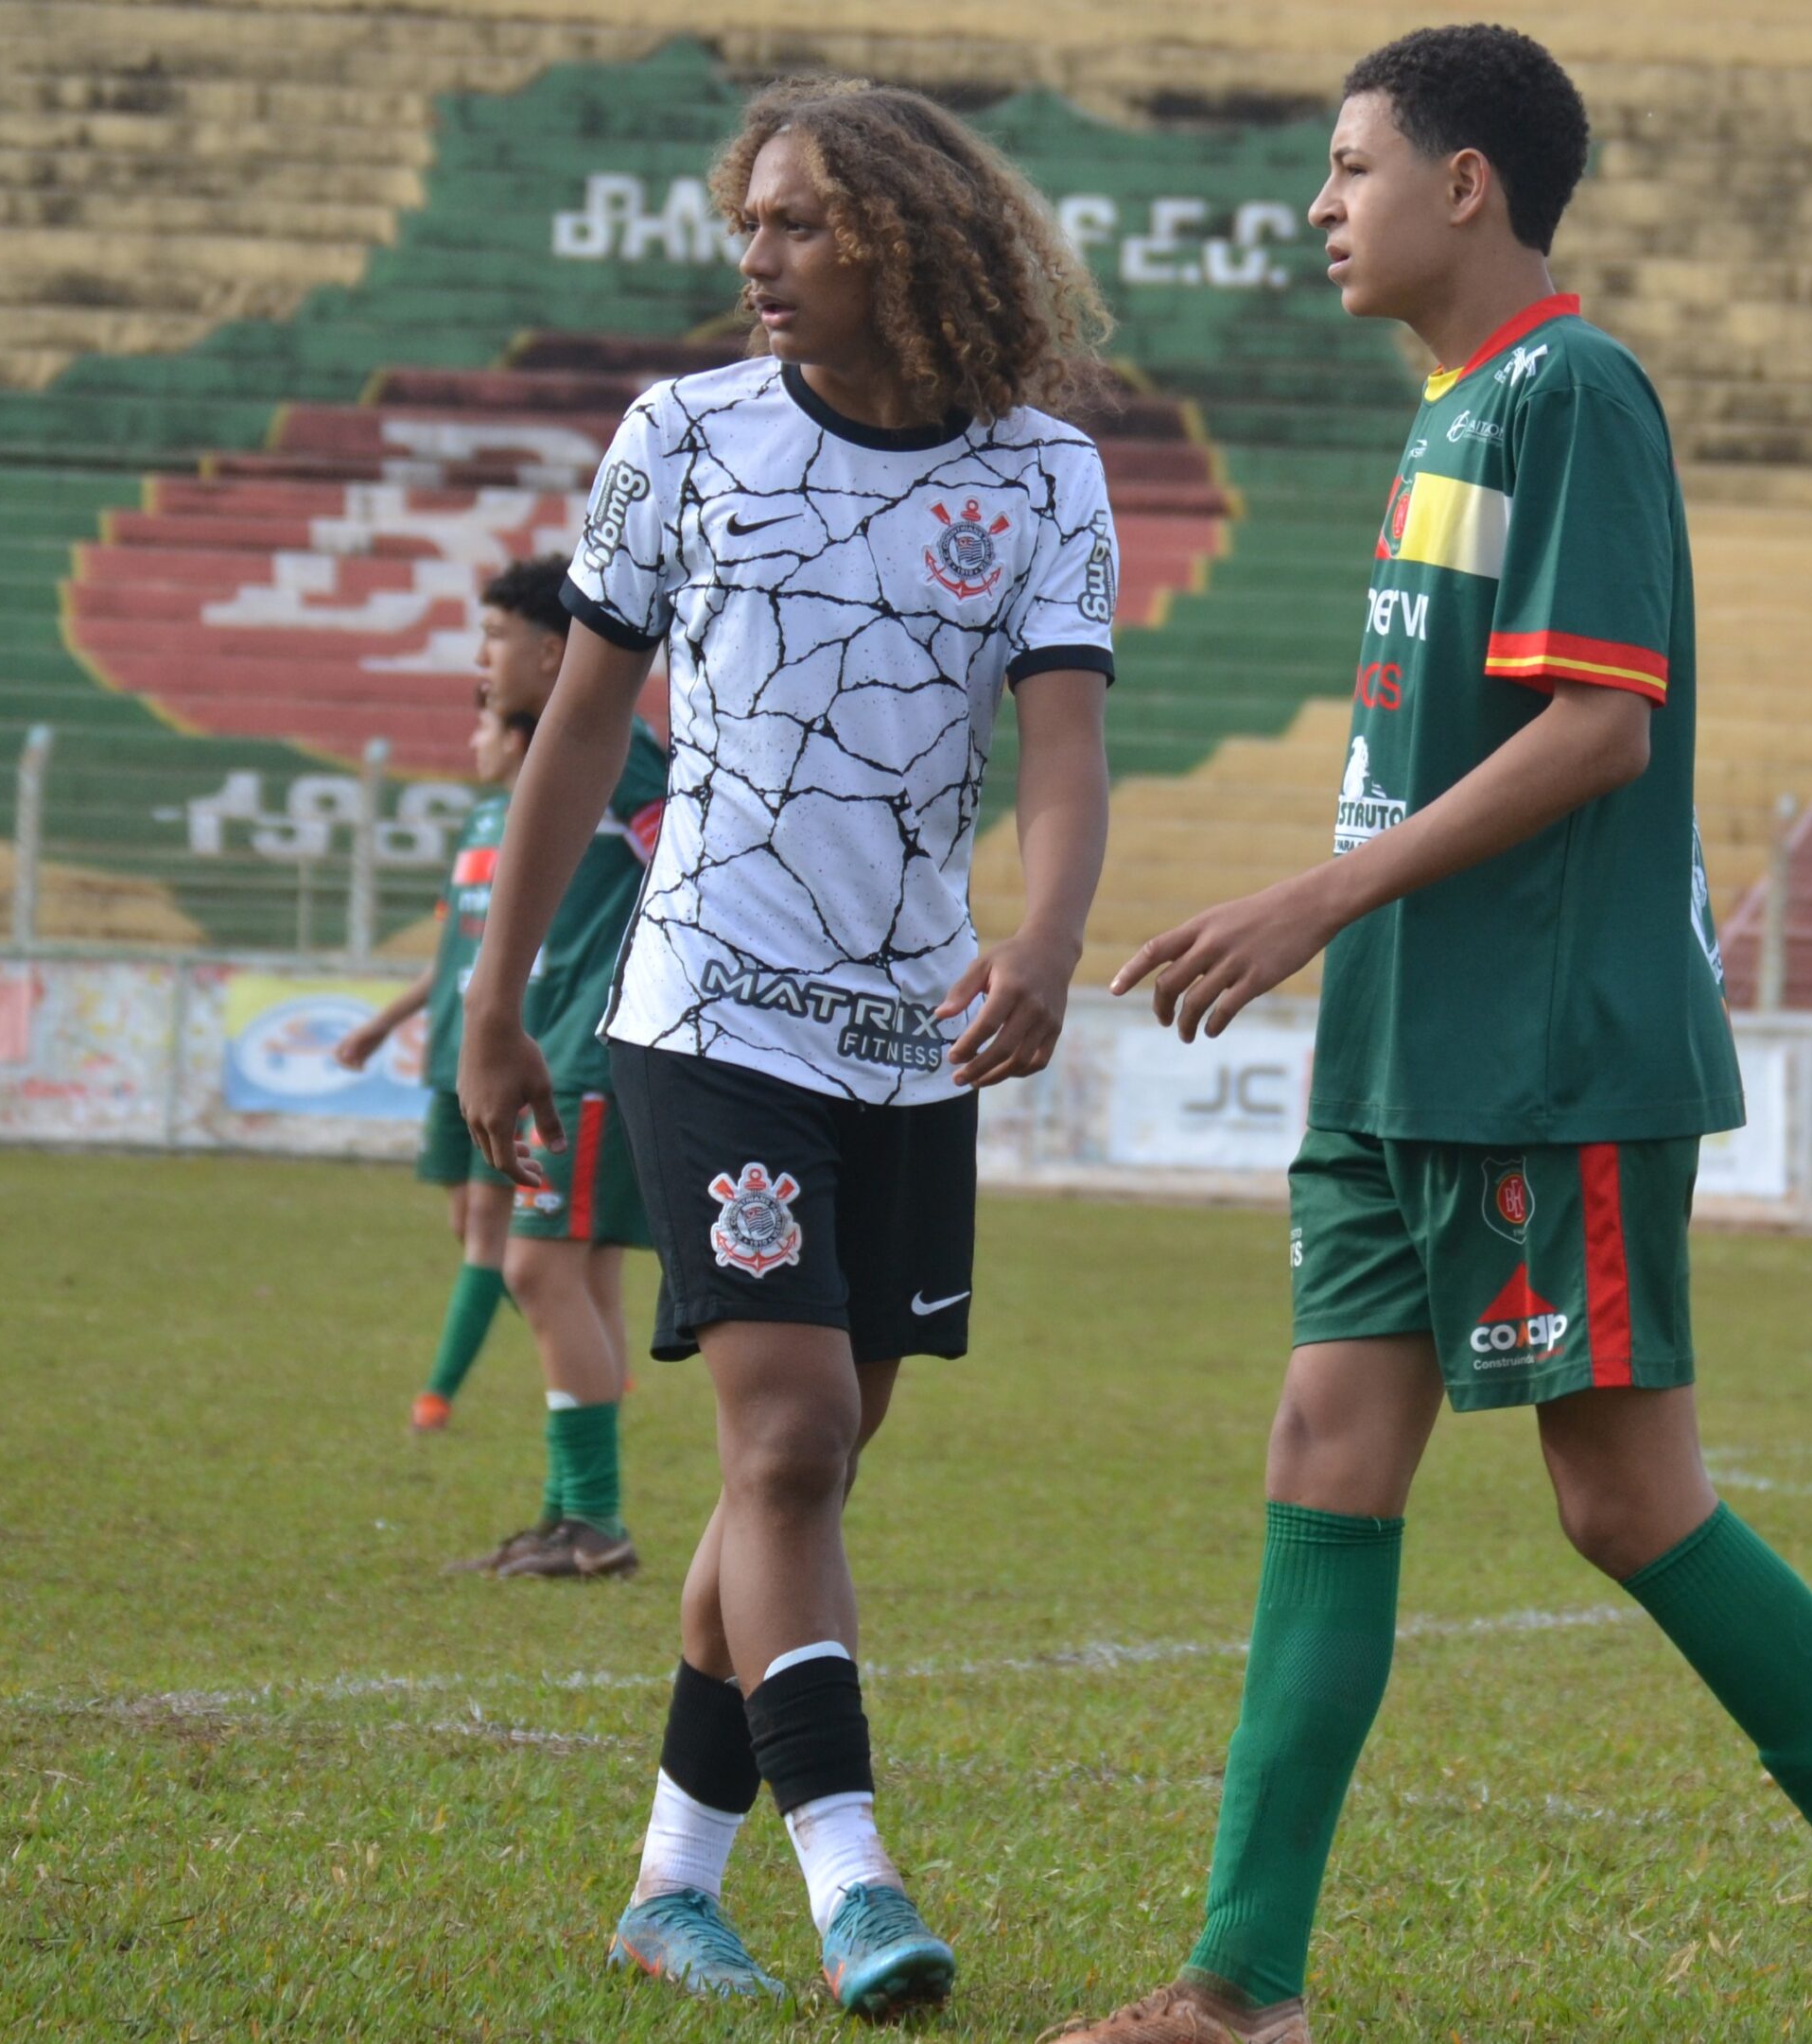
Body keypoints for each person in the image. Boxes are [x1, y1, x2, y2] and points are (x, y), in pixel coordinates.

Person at [1051, 30, 1812, 2044]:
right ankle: (1237, 1991)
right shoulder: (1448, 414)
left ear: (1465, 182)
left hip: (1540, 1042)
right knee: (1324, 1451)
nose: (1318, 206)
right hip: (1398, 1041)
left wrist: (1311, 898)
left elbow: (1601, 729)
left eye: (1347, 168)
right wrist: (1342, 938)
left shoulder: (1569, 390)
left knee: (1619, 1496)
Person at [455, 78, 1117, 2019]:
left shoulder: (1042, 476)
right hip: (707, 1011)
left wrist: (1048, 944)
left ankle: (671, 1886)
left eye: (803, 222)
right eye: (748, 220)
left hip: (910, 1040)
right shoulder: (681, 436)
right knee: (792, 1437)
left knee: (800, 1480)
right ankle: (855, 1880)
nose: (757, 256)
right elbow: (579, 732)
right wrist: (501, 1003)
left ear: (910, 237)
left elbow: (1064, 754)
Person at [431, 556, 668, 1580]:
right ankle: (567, 1511)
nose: (481, 660)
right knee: (586, 1275)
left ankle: (597, 1521)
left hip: (596, 1047)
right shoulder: (578, 756)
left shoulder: (621, 754)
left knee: (534, 1267)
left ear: (553, 649)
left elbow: (686, 868)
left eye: (492, 636)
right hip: (572, 1040)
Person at [336, 653, 528, 1432]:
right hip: (451, 1046)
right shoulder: (478, 823)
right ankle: (585, 1334)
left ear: (517, 739)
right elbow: (455, 950)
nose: (473, 742)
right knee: (472, 1230)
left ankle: (437, 1393)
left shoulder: (549, 817)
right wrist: (386, 1020)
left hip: (507, 1046)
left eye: (483, 726)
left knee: (490, 1232)